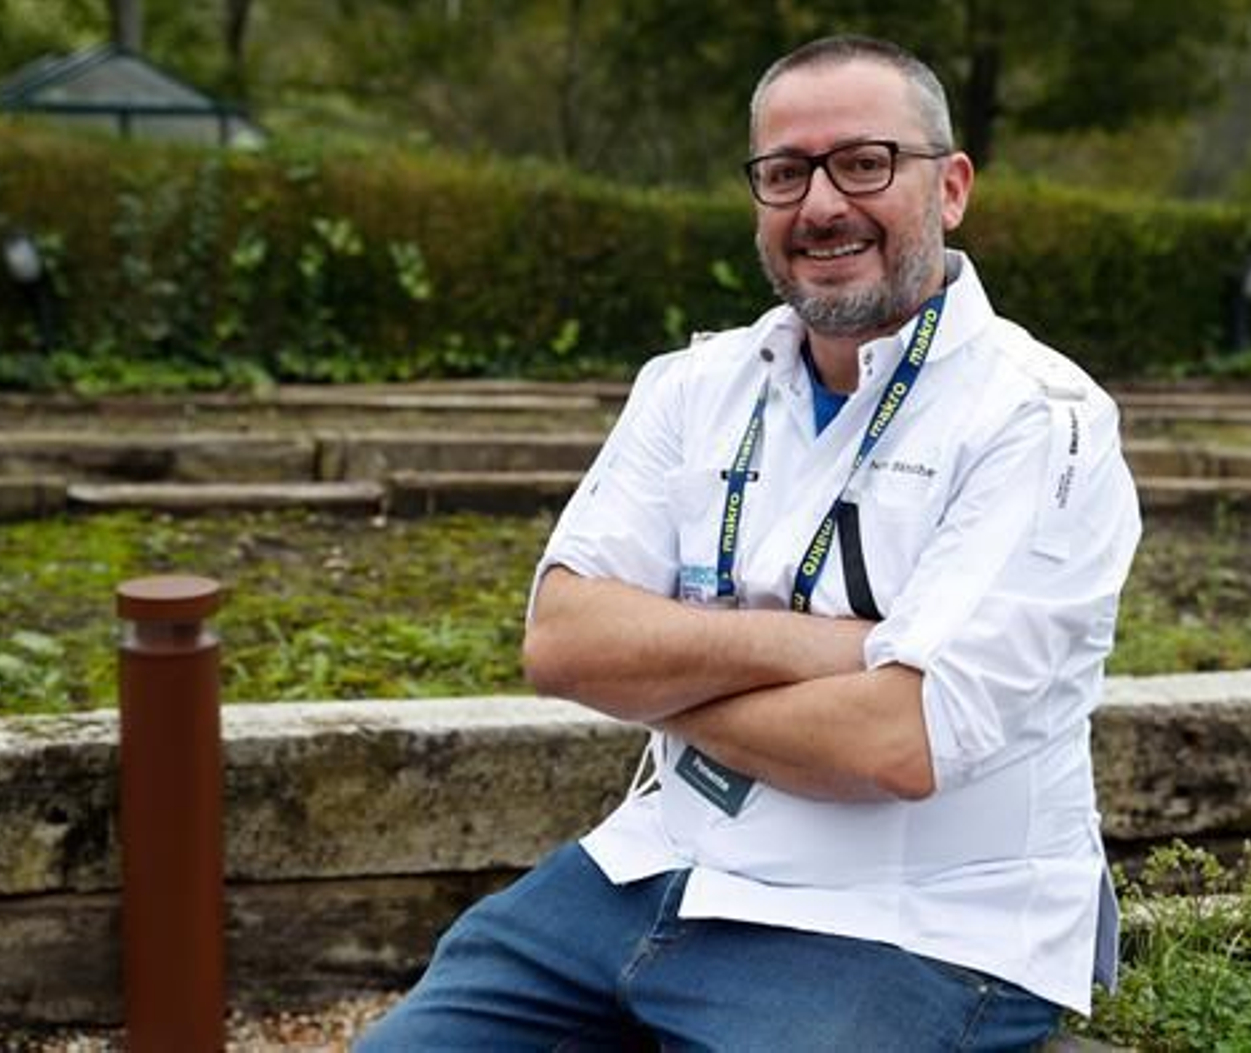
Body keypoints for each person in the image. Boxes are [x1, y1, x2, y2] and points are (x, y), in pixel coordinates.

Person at [358, 34, 1140, 1052]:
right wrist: (845, 648)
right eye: (784, 173)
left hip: (913, 921)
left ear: (949, 188)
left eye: (864, 163)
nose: (820, 204)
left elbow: (897, 741)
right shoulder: (690, 387)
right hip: (654, 867)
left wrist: (667, 675)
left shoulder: (1038, 418)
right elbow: (562, 643)